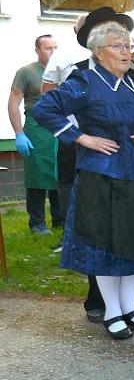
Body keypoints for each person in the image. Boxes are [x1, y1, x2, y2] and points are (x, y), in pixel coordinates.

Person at [32, 21, 134, 340]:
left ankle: (130, 309)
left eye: (129, 46)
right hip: (103, 176)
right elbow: (45, 109)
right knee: (106, 246)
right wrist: (82, 138)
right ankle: (112, 312)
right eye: (118, 46)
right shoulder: (84, 81)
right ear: (98, 52)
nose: (126, 52)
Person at [9, 34, 61, 234]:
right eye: (48, 48)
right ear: (37, 50)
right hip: (36, 128)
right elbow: (13, 103)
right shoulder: (26, 72)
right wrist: (19, 133)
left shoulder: (63, 72)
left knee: (59, 172)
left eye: (55, 47)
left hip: (59, 127)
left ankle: (60, 220)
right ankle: (37, 223)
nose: (53, 51)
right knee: (37, 175)